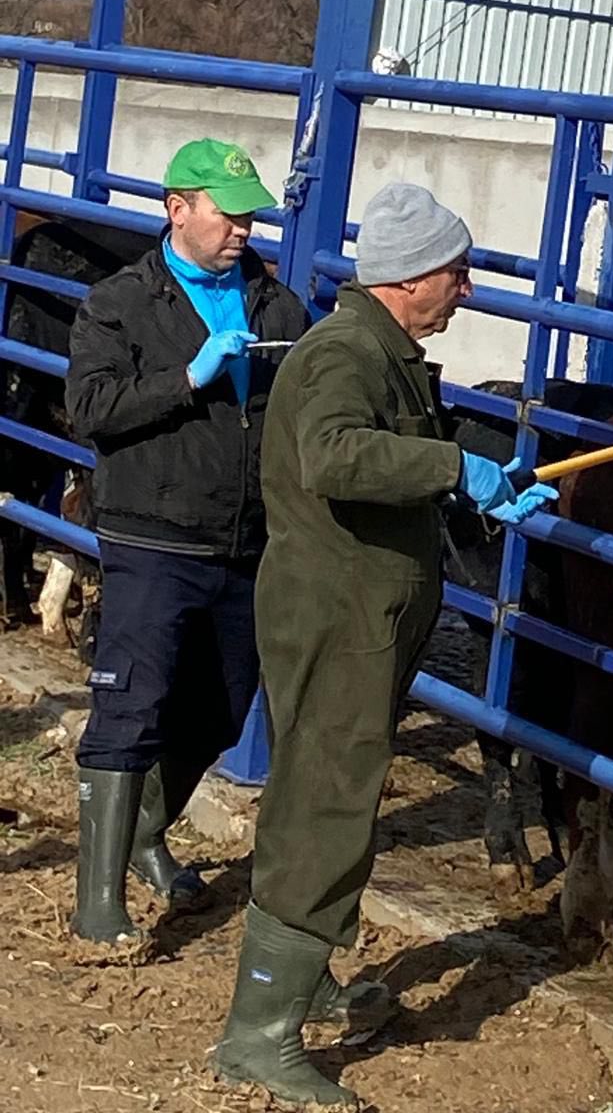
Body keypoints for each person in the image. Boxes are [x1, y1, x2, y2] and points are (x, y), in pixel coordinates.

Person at [212, 181, 557, 1107]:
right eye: (457, 273)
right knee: (326, 803)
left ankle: (303, 979)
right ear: (409, 279)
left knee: (323, 793)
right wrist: (452, 464)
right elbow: (332, 454)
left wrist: (465, 491)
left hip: (359, 612)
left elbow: (374, 470)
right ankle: (260, 1034)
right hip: (341, 615)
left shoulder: (381, 351)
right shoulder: (346, 354)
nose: (467, 289)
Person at [65, 138, 309, 945]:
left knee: (221, 708)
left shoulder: (277, 308)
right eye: (227, 214)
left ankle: (145, 832)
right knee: (131, 702)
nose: (242, 230)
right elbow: (92, 409)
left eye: (250, 217)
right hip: (151, 534)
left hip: (244, 541)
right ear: (178, 209)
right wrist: (188, 378)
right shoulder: (120, 303)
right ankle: (98, 905)